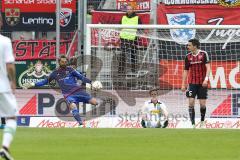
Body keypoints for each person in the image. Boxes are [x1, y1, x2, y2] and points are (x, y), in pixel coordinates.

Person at [23, 55, 98, 127]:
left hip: (78, 91)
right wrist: (33, 84)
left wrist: (91, 82)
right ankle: (81, 124)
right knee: (73, 106)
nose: (64, 63)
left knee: (95, 102)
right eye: (62, 62)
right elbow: (45, 81)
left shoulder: (71, 70)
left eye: (65, 62)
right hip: (68, 94)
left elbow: (81, 77)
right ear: (59, 62)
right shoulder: (55, 73)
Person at [181, 39, 211, 128]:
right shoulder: (188, 56)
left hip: (202, 84)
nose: (187, 47)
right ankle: (193, 124)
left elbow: (208, 68)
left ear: (195, 46)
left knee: (202, 104)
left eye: (189, 45)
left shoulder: (203, 54)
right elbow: (185, 71)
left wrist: (206, 79)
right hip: (192, 84)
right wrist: (183, 84)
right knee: (191, 102)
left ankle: (202, 121)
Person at [0, 13, 18, 160]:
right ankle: (5, 148)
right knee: (11, 117)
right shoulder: (5, 41)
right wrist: (13, 81)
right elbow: (10, 66)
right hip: (2, 87)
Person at [119, 4, 142, 74]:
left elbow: (141, 28)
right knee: (122, 55)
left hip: (133, 38)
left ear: (133, 10)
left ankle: (134, 70)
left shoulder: (137, 18)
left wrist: (138, 36)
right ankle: (121, 71)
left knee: (133, 55)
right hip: (124, 38)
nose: (128, 10)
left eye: (130, 9)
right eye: (127, 9)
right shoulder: (123, 17)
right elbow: (119, 26)